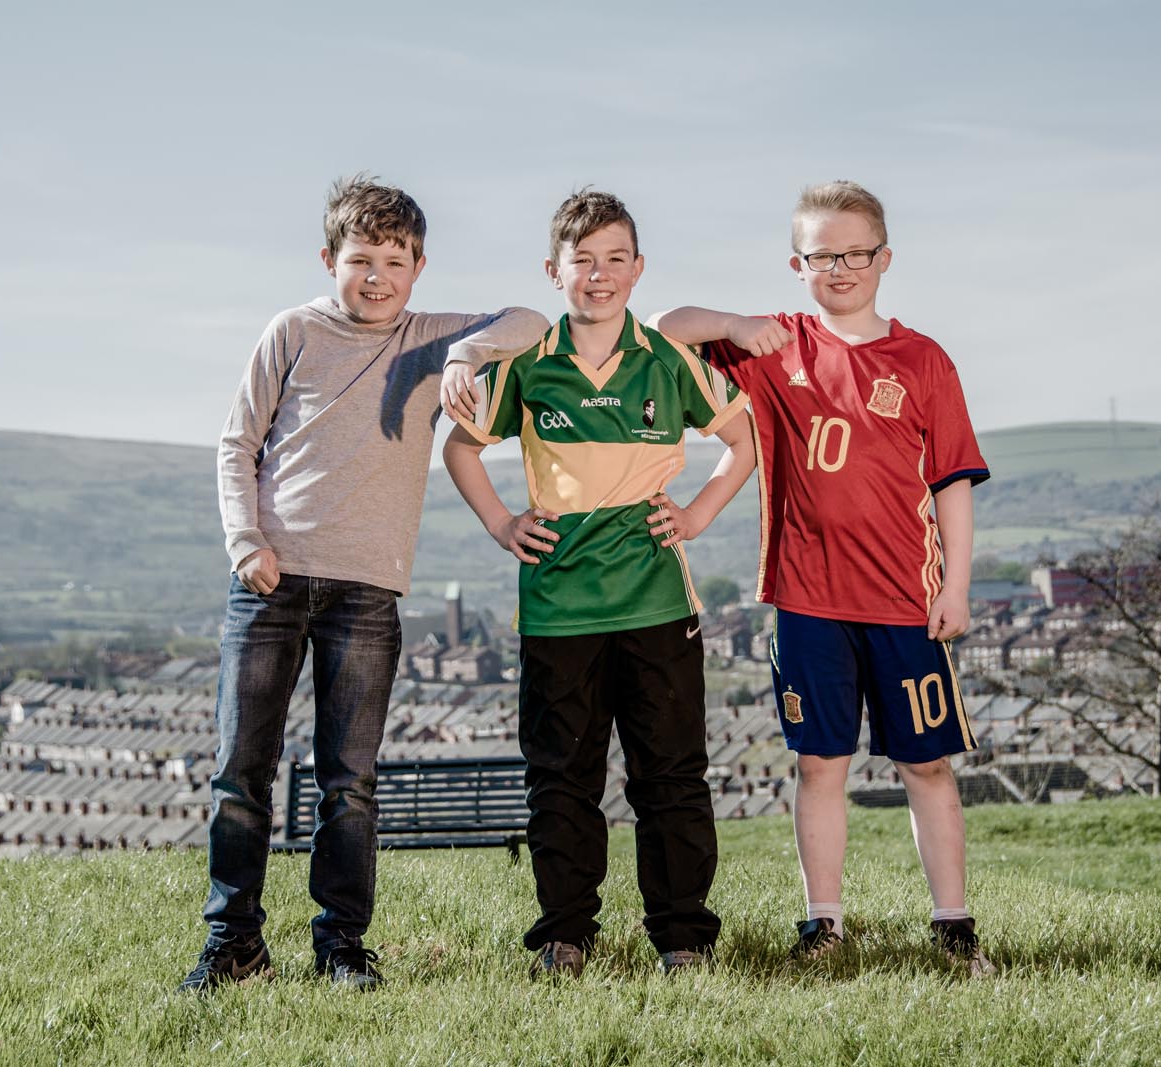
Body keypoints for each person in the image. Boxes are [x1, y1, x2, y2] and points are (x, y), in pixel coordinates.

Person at [179, 175, 549, 994]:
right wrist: (246, 543)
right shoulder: (293, 331)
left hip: (366, 594)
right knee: (241, 771)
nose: (375, 277)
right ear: (328, 259)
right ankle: (232, 944)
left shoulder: (427, 334)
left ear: (419, 266)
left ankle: (341, 945)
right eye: (360, 260)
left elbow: (533, 319)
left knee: (350, 781)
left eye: (394, 260)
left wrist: (463, 354)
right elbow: (235, 444)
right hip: (269, 580)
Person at [652, 180, 995, 975]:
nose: (839, 268)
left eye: (855, 253)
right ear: (797, 263)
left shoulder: (924, 360)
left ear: (884, 258)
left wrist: (956, 587)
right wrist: (739, 323)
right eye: (821, 255)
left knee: (928, 764)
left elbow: (950, 484)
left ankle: (953, 922)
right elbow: (666, 329)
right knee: (818, 764)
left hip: (906, 600)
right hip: (807, 599)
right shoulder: (777, 348)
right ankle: (823, 922)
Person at [442, 189, 755, 977]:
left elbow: (743, 440)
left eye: (616, 259)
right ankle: (565, 933)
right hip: (557, 610)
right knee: (561, 780)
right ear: (556, 271)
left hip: (657, 602)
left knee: (671, 776)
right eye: (583, 261)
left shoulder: (667, 358)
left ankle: (682, 937)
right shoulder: (527, 366)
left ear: (638, 269)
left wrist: (696, 514)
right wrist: (502, 524)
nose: (600, 275)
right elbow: (459, 449)